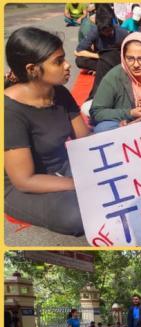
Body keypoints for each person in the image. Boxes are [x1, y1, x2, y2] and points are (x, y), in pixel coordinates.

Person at [4, 28, 91, 236]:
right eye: (58, 61)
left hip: (62, 166)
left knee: (115, 184)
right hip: (23, 186)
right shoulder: (9, 111)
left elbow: (85, 140)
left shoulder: (59, 92)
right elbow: (24, 180)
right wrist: (77, 184)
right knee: (78, 214)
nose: (68, 65)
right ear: (32, 69)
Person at [74, 7, 128, 72]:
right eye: (104, 32)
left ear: (112, 27)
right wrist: (98, 56)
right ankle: (104, 69)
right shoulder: (94, 31)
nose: (106, 34)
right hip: (101, 58)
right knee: (80, 60)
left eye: (109, 31)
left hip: (116, 59)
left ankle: (104, 70)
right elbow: (78, 51)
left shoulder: (122, 32)